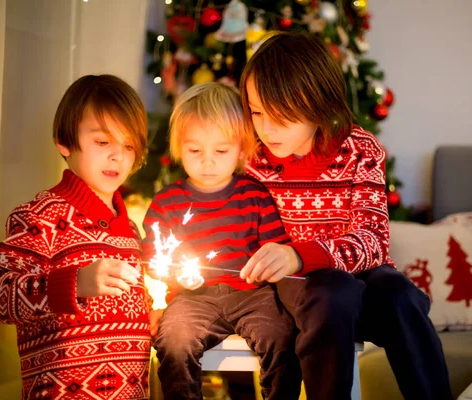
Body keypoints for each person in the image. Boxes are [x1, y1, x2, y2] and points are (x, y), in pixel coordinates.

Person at [238, 32, 453, 400]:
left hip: (363, 278)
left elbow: (372, 240)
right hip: (301, 290)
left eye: (281, 115)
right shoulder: (253, 162)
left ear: (317, 103)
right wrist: (291, 260)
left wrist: (300, 251)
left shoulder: (359, 149)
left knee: (401, 297)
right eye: (257, 112)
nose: (266, 128)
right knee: (331, 291)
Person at [0, 75, 151, 400]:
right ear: (64, 142)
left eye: (128, 145)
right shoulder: (41, 218)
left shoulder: (132, 231)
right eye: (102, 142)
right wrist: (72, 284)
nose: (117, 156)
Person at [143, 82, 302, 400]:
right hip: (192, 300)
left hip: (252, 296)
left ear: (241, 150)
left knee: (281, 338)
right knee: (173, 341)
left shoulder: (254, 196)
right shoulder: (168, 203)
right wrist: (167, 281)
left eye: (221, 150)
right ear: (178, 148)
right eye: (195, 151)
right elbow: (152, 257)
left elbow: (276, 250)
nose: (208, 162)